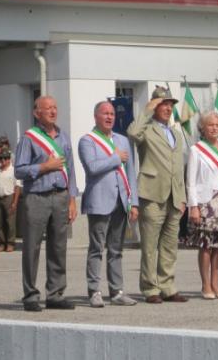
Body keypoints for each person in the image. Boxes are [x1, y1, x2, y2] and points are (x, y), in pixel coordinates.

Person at [15, 96, 78, 312]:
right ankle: (30, 295)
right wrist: (44, 167)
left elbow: (70, 170)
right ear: (36, 113)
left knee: (58, 247)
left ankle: (55, 294)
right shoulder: (29, 138)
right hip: (37, 197)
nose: (52, 111)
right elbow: (19, 170)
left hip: (60, 196)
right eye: (47, 108)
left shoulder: (64, 137)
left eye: (55, 107)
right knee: (31, 247)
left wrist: (72, 199)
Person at [127, 86, 188, 304]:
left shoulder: (175, 132)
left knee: (170, 245)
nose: (168, 109)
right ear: (154, 106)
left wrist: (182, 196)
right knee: (150, 246)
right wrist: (146, 110)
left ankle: (168, 286)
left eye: (171, 105)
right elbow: (132, 133)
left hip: (174, 196)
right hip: (152, 194)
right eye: (164, 104)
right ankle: (150, 288)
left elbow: (178, 166)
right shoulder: (147, 129)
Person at [79, 101, 139, 308]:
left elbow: (130, 172)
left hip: (121, 201)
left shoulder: (122, 140)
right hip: (99, 201)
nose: (109, 117)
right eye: (105, 113)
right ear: (96, 116)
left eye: (112, 113)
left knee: (116, 249)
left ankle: (117, 291)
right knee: (97, 248)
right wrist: (115, 159)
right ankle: (94, 290)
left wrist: (134, 202)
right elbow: (92, 167)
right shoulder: (87, 141)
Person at [186, 112, 218, 300]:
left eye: (217, 125)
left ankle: (216, 284)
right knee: (206, 244)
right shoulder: (196, 149)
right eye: (210, 125)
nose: (214, 128)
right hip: (205, 201)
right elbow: (190, 181)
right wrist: (194, 206)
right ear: (203, 127)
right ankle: (205, 285)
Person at [0, 147, 21, 252]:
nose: (3, 160)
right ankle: (1, 243)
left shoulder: (13, 170)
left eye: (5, 158)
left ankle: (11, 243)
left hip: (9, 197)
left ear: (9, 159)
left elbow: (17, 187)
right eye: (1, 158)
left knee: (10, 222)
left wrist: (15, 202)